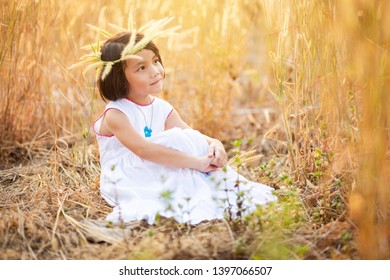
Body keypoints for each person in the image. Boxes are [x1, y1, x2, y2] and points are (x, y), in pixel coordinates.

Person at [91, 27, 276, 225]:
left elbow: (192, 134)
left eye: (155, 61)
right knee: (175, 140)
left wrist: (215, 143)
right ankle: (197, 177)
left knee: (184, 139)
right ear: (118, 77)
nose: (155, 72)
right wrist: (195, 162)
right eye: (141, 68)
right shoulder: (116, 114)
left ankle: (211, 183)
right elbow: (144, 151)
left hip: (152, 165)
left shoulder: (161, 108)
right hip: (125, 176)